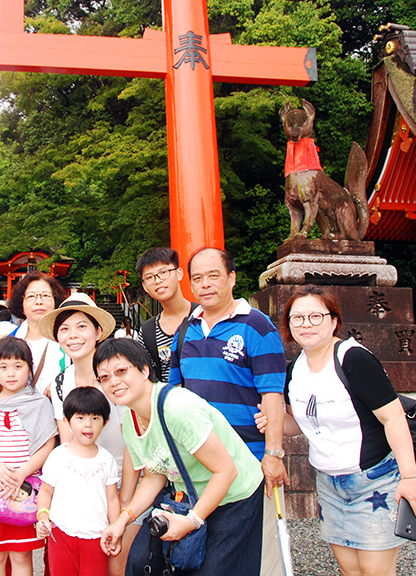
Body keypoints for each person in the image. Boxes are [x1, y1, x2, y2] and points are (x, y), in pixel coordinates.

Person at [261, 285, 416, 576]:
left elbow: (394, 418)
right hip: (329, 483)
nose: (306, 324)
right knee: (350, 569)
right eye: (297, 318)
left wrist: (410, 477)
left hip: (373, 479)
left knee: (375, 571)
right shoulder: (295, 369)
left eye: (316, 316)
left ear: (334, 320)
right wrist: (271, 421)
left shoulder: (354, 359)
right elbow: (301, 425)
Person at [95, 338, 265, 576]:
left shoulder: (177, 408)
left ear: (145, 370)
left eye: (121, 371)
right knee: (141, 563)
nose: (113, 382)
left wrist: (192, 521)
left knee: (214, 570)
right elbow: (154, 476)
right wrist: (122, 521)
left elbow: (226, 471)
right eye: (104, 377)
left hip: (234, 494)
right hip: (187, 494)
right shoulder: (131, 422)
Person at [170, 247, 288, 576]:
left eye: (213, 276)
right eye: (197, 278)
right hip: (203, 462)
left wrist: (274, 455)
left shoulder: (257, 326)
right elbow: (175, 397)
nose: (205, 284)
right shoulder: (185, 331)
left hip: (250, 459)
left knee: (260, 555)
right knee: (213, 554)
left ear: (232, 278)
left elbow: (273, 395)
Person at [38, 293, 134, 576]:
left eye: (81, 326)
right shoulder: (59, 384)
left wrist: (125, 503)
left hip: (124, 484)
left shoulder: (116, 378)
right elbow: (69, 447)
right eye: (64, 329)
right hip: (83, 490)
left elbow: (132, 443)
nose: (73, 335)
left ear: (98, 332)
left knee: (115, 566)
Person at [0, 337, 58, 576]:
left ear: (29, 367)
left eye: (18, 366)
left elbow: (47, 445)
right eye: (3, 367)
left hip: (24, 492)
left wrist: (21, 473)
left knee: (21, 556)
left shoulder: (39, 403)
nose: (11, 373)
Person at [35, 387, 120, 576]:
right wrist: (42, 517)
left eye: (95, 418)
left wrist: (115, 530)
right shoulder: (57, 456)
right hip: (61, 535)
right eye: (80, 418)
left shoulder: (106, 460)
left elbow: (112, 499)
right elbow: (46, 491)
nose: (88, 425)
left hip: (96, 537)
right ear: (67, 421)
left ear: (105, 422)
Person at [135, 247, 197, 382]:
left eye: (163, 272)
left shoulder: (203, 317)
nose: (157, 281)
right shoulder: (147, 332)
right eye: (149, 277)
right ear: (145, 286)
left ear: (179, 273)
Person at [7, 271, 69, 396]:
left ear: (55, 301)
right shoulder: (8, 342)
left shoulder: (69, 340)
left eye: (46, 295)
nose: (39, 301)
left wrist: (63, 385)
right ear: (22, 303)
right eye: (31, 296)